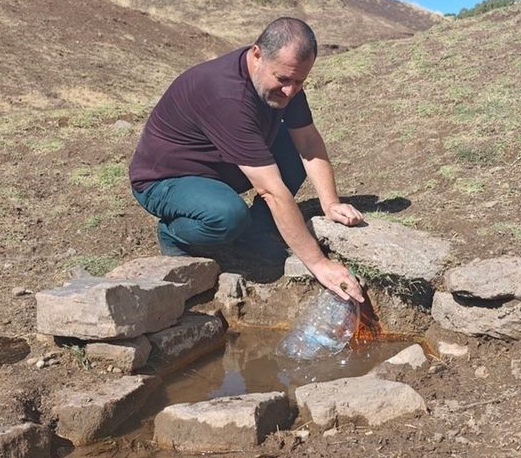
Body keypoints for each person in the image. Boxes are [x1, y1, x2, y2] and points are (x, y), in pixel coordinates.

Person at [129, 17, 364, 302]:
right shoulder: (226, 95)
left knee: (290, 147)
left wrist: (330, 203)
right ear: (257, 55)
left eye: (299, 81)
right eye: (283, 80)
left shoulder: (282, 79)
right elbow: (271, 190)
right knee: (228, 216)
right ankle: (175, 234)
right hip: (166, 179)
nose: (290, 91)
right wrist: (318, 264)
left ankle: (256, 231)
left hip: (220, 164)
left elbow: (308, 141)